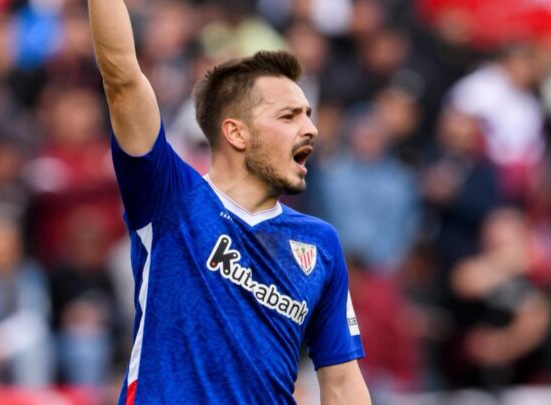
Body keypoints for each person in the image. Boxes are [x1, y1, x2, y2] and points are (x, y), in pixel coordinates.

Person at [88, 1, 370, 403]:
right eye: (289, 116)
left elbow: (342, 382)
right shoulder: (170, 197)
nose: (311, 128)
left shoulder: (320, 243)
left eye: (308, 114)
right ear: (236, 133)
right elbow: (122, 78)